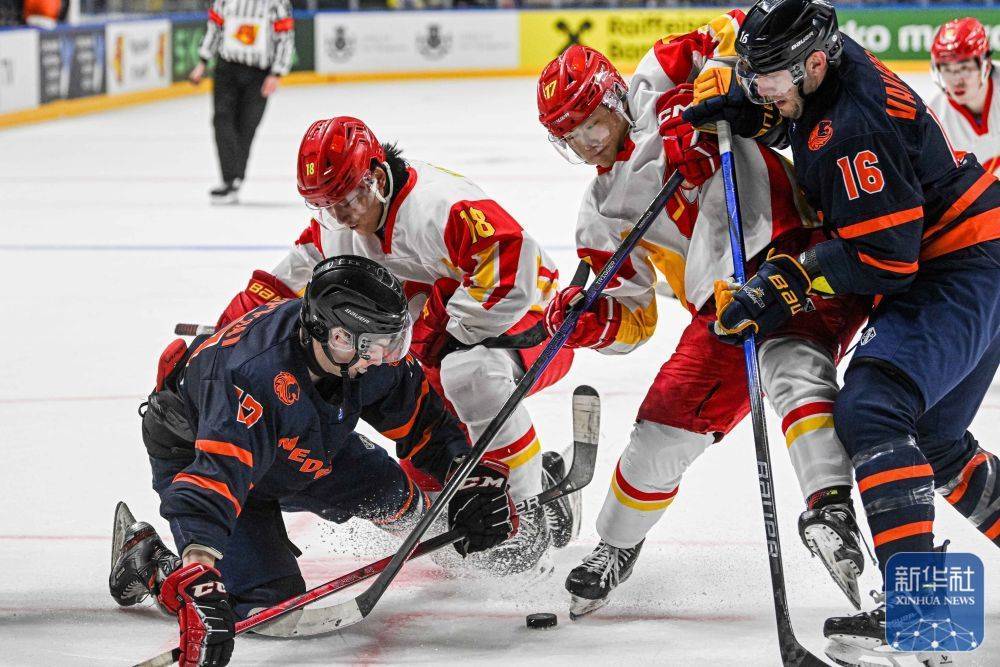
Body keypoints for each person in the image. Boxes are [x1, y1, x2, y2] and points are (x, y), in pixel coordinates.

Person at [685, 1, 1000, 663]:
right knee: (935, 440)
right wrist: (764, 114)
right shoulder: (827, 65)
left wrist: (792, 278)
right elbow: (806, 111)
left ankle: (917, 612)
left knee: (874, 408)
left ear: (813, 64)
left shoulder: (856, 128)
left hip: (958, 264)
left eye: (772, 79)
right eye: (756, 76)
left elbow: (889, 258)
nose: (761, 86)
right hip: (978, 250)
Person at [535, 11, 872, 619]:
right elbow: (633, 319)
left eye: (591, 123)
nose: (587, 143)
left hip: (798, 249)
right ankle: (616, 545)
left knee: (793, 367)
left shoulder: (658, 77)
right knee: (659, 431)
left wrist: (703, 102)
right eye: (570, 137)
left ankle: (832, 513)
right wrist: (592, 322)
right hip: (723, 306)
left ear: (613, 96)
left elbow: (745, 27)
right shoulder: (600, 213)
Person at [211, 117, 577, 576]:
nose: (341, 216)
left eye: (347, 199)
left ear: (377, 176)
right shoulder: (336, 224)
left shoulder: (439, 207)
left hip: (534, 322)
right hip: (442, 341)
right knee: (437, 497)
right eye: (326, 205)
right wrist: (223, 337)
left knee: (470, 375)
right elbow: (284, 282)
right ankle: (541, 479)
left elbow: (511, 274)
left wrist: (438, 331)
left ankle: (527, 510)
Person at [109, 256, 517, 667]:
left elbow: (425, 423)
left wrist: (467, 477)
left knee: (391, 492)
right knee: (267, 606)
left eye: (392, 340)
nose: (383, 356)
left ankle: (441, 531)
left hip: (299, 442)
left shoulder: (361, 353)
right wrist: (198, 575)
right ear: (335, 335)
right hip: (201, 452)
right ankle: (150, 563)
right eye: (374, 344)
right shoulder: (250, 375)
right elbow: (214, 480)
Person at [189, 0, 294, 204]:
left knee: (247, 125)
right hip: (227, 69)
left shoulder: (277, 2)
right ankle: (229, 179)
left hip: (259, 73)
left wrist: (277, 73)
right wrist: (202, 62)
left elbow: (285, 37)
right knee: (222, 119)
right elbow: (215, 28)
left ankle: (236, 178)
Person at [928, 17, 1000, 176]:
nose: (956, 80)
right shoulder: (935, 117)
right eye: (947, 69)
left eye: (965, 68)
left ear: (986, 63)